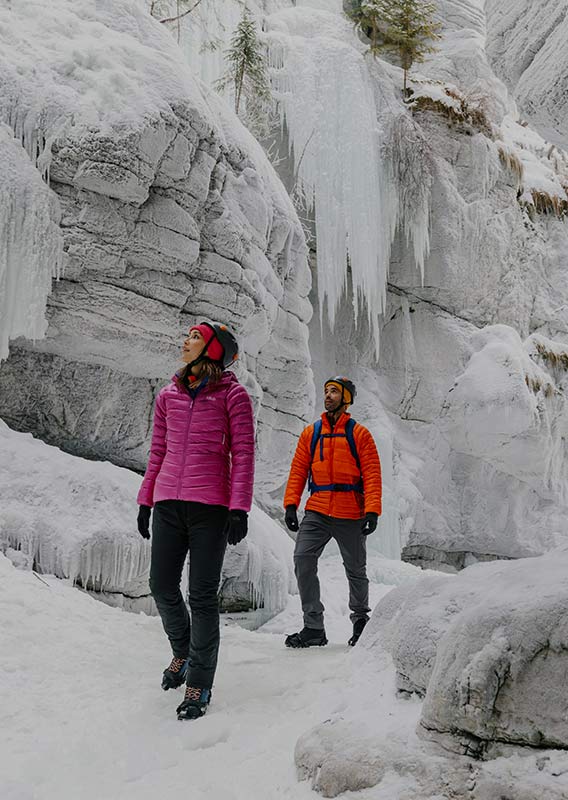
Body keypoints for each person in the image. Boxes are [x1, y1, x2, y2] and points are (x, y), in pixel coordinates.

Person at [136, 321, 255, 721]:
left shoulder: (233, 396)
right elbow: (157, 451)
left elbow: (243, 453)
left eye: (195, 337)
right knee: (161, 584)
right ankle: (183, 652)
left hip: (211, 508)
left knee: (202, 597)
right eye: (187, 335)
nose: (185, 341)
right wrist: (146, 500)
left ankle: (199, 684)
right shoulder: (168, 394)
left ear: (213, 351)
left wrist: (239, 508)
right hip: (169, 501)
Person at [283, 376, 382, 648]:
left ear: (346, 398)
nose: (328, 395)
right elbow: (299, 470)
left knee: (355, 569)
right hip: (317, 508)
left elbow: (372, 474)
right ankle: (313, 626)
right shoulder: (311, 433)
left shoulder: (359, 434)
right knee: (303, 559)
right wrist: (291, 504)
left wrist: (372, 511)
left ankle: (360, 621)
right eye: (326, 391)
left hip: (351, 509)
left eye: (334, 391)